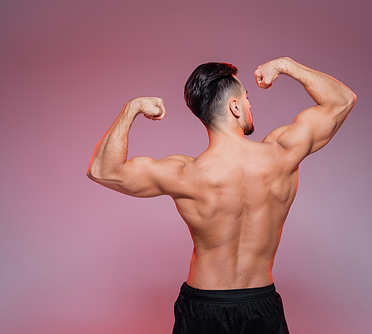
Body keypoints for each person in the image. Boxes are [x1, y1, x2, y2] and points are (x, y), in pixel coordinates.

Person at [87, 57, 356, 334]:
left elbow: (103, 170)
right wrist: (286, 66)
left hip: (202, 307)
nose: (250, 106)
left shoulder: (184, 174)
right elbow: (342, 100)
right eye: (247, 99)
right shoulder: (281, 155)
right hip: (260, 305)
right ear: (235, 106)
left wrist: (131, 109)